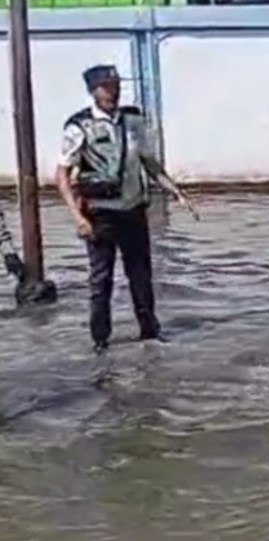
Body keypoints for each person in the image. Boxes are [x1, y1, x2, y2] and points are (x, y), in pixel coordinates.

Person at [55, 64, 199, 352]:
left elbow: (149, 162)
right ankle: (100, 341)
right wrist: (77, 217)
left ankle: (150, 333)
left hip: (133, 211)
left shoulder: (133, 120)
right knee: (101, 280)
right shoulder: (79, 126)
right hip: (99, 213)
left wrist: (177, 193)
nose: (114, 91)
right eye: (107, 86)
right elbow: (61, 176)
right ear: (93, 91)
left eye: (117, 85)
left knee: (141, 276)